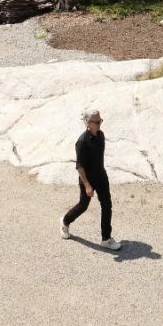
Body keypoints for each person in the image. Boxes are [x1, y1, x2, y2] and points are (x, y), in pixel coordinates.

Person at [62, 108, 121, 252]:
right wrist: (87, 185)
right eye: (96, 121)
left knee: (107, 205)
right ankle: (65, 222)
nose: (100, 123)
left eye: (100, 120)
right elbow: (79, 166)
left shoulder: (101, 135)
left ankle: (106, 239)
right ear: (88, 123)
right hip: (87, 180)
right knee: (83, 206)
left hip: (101, 176)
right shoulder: (82, 142)